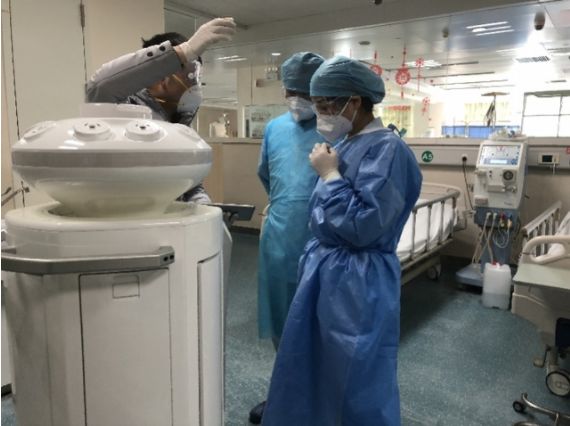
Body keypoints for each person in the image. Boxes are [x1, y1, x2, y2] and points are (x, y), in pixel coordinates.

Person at [261, 56, 423, 426]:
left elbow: (364, 226)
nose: (320, 113)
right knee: (313, 362)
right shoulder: (348, 143)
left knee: (354, 373)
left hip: (358, 280)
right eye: (317, 105)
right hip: (327, 270)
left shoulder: (389, 149)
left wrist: (331, 177)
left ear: (355, 101)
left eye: (324, 105)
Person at [250, 52, 325, 424]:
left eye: (303, 91)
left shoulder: (335, 129)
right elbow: (267, 174)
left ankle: (317, 398)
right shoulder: (274, 128)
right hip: (280, 236)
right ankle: (284, 393)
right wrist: (287, 206)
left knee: (318, 323)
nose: (295, 98)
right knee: (282, 319)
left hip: (322, 238)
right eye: (290, 90)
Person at [86, 18, 236, 203]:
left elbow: (191, 182)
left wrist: (202, 203)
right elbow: (99, 87)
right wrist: (183, 52)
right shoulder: (122, 110)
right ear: (161, 75)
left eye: (197, 76)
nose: (194, 83)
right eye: (189, 74)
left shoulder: (180, 123)